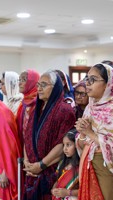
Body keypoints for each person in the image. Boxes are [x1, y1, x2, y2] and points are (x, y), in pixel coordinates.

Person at [75, 63, 113, 200]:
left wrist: (90, 133)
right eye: (87, 79)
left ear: (108, 84)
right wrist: (82, 134)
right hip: (89, 162)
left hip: (109, 168)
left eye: (93, 79)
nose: (87, 83)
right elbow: (83, 138)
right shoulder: (90, 107)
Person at [23, 71, 76, 199]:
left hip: (49, 172)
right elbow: (28, 136)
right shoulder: (36, 109)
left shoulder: (65, 110)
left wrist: (41, 165)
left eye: (44, 85)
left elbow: (62, 144)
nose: (39, 88)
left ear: (55, 87)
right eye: (38, 84)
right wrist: (27, 162)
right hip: (32, 172)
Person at [51, 128, 79, 200]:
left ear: (77, 145)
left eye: (68, 145)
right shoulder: (62, 163)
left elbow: (85, 190)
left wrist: (67, 193)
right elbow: (57, 181)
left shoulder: (81, 166)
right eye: (64, 145)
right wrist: (54, 190)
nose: (64, 149)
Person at [16, 69, 40, 143]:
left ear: (33, 82)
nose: (19, 83)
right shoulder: (24, 102)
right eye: (19, 80)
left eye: (23, 80)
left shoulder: (38, 102)